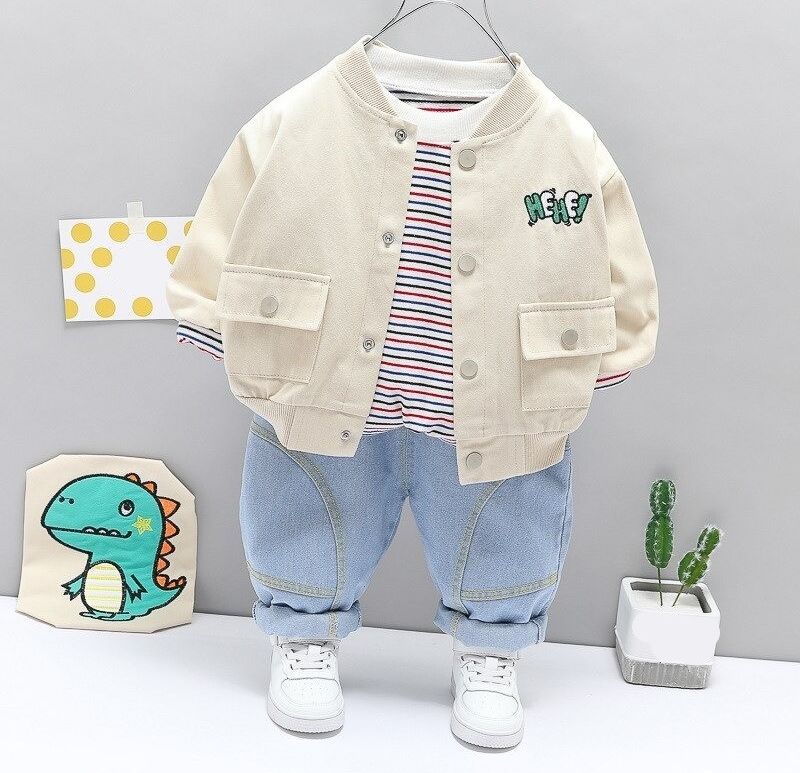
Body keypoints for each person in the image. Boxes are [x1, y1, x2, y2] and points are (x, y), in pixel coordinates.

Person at [167, 38, 658, 749]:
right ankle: (303, 637)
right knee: (305, 504)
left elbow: (621, 267)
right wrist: (210, 312)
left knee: (505, 519)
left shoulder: (563, 138)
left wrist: (610, 349)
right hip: (322, 384)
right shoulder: (301, 116)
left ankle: (491, 651)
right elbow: (225, 216)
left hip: (495, 405)